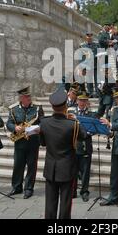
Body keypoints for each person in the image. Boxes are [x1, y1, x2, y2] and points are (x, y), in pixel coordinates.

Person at [40, 89, 88, 219]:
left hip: (50, 168)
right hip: (67, 168)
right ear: (66, 105)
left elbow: (43, 143)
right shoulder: (72, 125)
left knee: (50, 203)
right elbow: (84, 136)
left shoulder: (44, 122)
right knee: (65, 203)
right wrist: (76, 121)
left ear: (52, 106)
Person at [6, 87, 44, 199]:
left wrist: (38, 128)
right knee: (18, 165)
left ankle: (28, 189)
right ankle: (17, 187)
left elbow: (43, 122)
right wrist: (14, 127)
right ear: (21, 98)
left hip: (33, 142)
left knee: (32, 166)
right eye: (26, 97)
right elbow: (9, 123)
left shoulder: (37, 108)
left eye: (29, 96)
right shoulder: (13, 109)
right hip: (20, 141)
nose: (29, 98)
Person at [68, 92, 96, 202]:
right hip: (73, 145)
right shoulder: (70, 111)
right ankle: (73, 191)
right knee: (73, 171)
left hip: (85, 145)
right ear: (77, 101)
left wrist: (86, 132)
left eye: (84, 100)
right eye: (80, 100)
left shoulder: (91, 113)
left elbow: (93, 129)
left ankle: (84, 191)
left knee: (85, 172)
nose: (82, 102)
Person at [80, 33, 99, 98]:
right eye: (88, 36)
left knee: (97, 80)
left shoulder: (96, 45)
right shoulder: (83, 46)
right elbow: (82, 57)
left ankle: (97, 92)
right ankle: (90, 93)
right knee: (89, 80)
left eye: (91, 36)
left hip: (96, 65)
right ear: (86, 37)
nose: (89, 37)